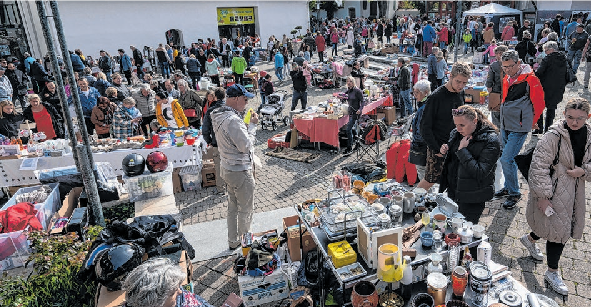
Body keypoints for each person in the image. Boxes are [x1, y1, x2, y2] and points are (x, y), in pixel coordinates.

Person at [521, 98, 591, 296]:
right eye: (570, 117)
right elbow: (538, 167)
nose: (574, 122)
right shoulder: (553, 136)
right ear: (564, 115)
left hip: (576, 190)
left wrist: (583, 171)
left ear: (588, 117)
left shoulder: (590, 135)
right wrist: (542, 196)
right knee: (560, 231)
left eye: (579, 118)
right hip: (554, 189)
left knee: (557, 225)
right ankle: (552, 272)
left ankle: (529, 239)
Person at [495, 50, 545, 209]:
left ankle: (515, 193)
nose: (507, 70)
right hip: (506, 124)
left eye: (510, 66)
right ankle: (510, 186)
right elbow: (505, 99)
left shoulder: (530, 79)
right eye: (504, 67)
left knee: (506, 159)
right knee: (506, 157)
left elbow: (539, 102)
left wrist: (534, 121)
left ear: (518, 63)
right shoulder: (507, 77)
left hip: (520, 126)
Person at [210, 84, 258, 250]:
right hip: (239, 170)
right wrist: (252, 126)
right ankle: (247, 244)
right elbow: (246, 146)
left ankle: (233, 241)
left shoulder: (218, 114)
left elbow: (232, 138)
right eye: (245, 99)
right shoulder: (232, 120)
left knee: (232, 207)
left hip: (227, 167)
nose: (246, 103)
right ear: (236, 98)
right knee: (245, 209)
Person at [439, 105, 501, 222]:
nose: (458, 129)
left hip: (473, 197)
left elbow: (480, 172)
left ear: (474, 121)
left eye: (462, 125)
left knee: (465, 231)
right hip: (453, 191)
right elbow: (453, 161)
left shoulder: (491, 140)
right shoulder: (456, 133)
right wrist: (446, 150)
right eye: (456, 125)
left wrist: (463, 151)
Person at [416, 62, 470, 191]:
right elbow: (424, 128)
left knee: (453, 177)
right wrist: (436, 149)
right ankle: (412, 202)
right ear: (450, 76)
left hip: (455, 145)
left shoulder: (460, 93)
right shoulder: (435, 97)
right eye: (458, 82)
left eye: (464, 83)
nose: (461, 86)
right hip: (438, 146)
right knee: (430, 180)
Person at [122, 257, 214, 307]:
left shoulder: (176, 295)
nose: (181, 292)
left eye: (178, 287)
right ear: (155, 303)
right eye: (173, 293)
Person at [535, 41, 568, 134]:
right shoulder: (563, 58)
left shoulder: (548, 59)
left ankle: (539, 128)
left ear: (551, 50)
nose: (545, 52)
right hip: (558, 87)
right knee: (551, 109)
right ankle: (548, 130)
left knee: (539, 107)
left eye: (546, 50)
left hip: (545, 87)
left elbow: (539, 72)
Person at [202, 87, 227, 195]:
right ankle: (232, 187)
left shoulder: (211, 110)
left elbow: (205, 129)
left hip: (217, 142)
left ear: (215, 97)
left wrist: (209, 141)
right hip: (230, 142)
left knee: (218, 166)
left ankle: (221, 188)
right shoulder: (229, 108)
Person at [408, 80, 432, 181]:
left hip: (422, 147)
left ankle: (425, 194)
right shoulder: (425, 104)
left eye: (417, 93)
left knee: (423, 173)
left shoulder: (424, 108)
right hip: (424, 146)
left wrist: (416, 142)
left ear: (425, 92)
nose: (414, 95)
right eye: (414, 92)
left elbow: (422, 131)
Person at [486, 45, 508, 129]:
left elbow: (489, 81)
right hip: (510, 93)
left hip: (496, 92)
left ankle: (498, 134)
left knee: (496, 116)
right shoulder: (513, 64)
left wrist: (489, 88)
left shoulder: (494, 65)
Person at [343, 76, 364, 156]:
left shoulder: (357, 91)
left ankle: (349, 147)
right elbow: (343, 97)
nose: (349, 83)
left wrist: (360, 109)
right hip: (350, 112)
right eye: (347, 81)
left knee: (348, 129)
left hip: (356, 113)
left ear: (353, 82)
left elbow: (363, 101)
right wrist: (340, 97)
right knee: (353, 128)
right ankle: (358, 142)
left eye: (350, 81)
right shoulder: (348, 91)